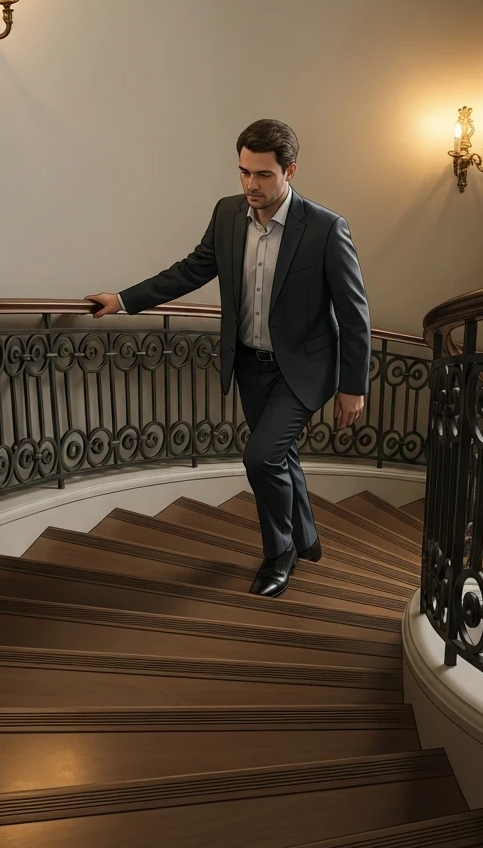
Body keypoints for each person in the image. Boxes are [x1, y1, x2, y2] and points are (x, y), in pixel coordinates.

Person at [86, 118, 371, 600]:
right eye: (243, 173)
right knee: (280, 455)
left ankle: (279, 552)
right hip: (248, 364)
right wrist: (124, 298)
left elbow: (354, 311)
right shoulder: (226, 214)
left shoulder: (325, 228)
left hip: (302, 369)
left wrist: (353, 386)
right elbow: (191, 270)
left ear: (290, 171)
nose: (250, 185)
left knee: (260, 457)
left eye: (262, 175)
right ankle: (307, 538)